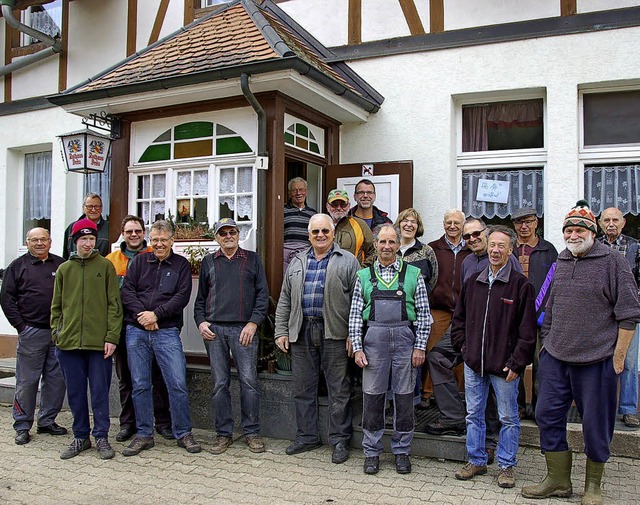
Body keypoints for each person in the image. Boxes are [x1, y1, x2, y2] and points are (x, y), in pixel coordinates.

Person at [522, 201, 640, 504]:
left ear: (593, 231)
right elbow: (550, 307)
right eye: (568, 230)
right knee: (546, 415)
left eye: (579, 229)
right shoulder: (560, 260)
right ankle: (558, 481)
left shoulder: (614, 262)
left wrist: (618, 358)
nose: (573, 235)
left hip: (597, 361)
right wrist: (546, 344)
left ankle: (593, 486)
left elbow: (628, 314)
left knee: (596, 424)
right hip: (556, 359)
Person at [452, 225, 537, 488]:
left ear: (510, 250)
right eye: (492, 245)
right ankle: (476, 460)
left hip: (505, 367)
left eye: (501, 246)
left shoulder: (520, 285)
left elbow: (527, 331)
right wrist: (464, 350)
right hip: (474, 364)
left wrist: (517, 363)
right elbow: (459, 321)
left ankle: (506, 467)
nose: (495, 250)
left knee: (508, 418)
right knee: (473, 414)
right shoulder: (473, 282)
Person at [275, 213, 360, 465]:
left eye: (325, 231)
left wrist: (354, 335)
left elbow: (358, 301)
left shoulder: (348, 260)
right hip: (302, 332)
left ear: (333, 233)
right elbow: (285, 299)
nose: (320, 236)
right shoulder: (298, 261)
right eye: (315, 232)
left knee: (339, 389)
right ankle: (307, 436)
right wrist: (281, 330)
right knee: (303, 388)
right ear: (308, 235)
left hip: (335, 333)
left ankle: (340, 440)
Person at [349, 223, 431, 475]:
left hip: (405, 343)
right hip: (374, 344)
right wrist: (357, 347)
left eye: (392, 242)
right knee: (372, 399)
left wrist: (419, 347)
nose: (387, 246)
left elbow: (424, 316)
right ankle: (371, 452)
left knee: (404, 399)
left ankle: (402, 451)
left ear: (398, 245)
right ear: (375, 245)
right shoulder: (363, 276)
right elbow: (354, 316)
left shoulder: (413, 274)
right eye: (382, 242)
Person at [120, 220, 201, 456]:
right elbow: (128, 292)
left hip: (166, 332)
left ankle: (183, 432)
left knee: (177, 383)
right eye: (154, 240)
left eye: (163, 240)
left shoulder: (181, 265)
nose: (158, 244)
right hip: (136, 331)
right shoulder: (139, 262)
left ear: (172, 241)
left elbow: (181, 297)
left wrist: (156, 314)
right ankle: (144, 435)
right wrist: (143, 317)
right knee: (140, 384)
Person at [194, 217, 269, 455]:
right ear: (216, 237)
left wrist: (253, 324)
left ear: (238, 234)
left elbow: (262, 296)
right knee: (219, 384)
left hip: (243, 330)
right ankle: (223, 434)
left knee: (248, 382)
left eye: (232, 232)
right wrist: (201, 323)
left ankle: (252, 433)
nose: (228, 236)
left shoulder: (252, 260)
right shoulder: (208, 262)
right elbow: (200, 301)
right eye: (223, 233)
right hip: (214, 331)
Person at [50, 219, 122, 460]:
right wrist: (57, 333)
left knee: (100, 392)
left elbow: (114, 305)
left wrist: (111, 337)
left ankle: (101, 436)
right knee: (76, 393)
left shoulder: (105, 266)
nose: (88, 243)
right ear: (75, 241)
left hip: (98, 343)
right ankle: (81, 436)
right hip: (68, 344)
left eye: (92, 239)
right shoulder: (64, 269)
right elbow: (56, 306)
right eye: (84, 239)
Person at [105, 215, 173, 443]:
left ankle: (162, 422)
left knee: (157, 376)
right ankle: (128, 424)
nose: (133, 235)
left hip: (152, 325)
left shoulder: (153, 255)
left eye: (137, 231)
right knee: (126, 378)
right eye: (129, 232)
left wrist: (150, 318)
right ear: (122, 234)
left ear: (144, 233)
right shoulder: (111, 260)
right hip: (123, 327)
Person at [1, 228, 67, 445]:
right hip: (32, 332)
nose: (40, 243)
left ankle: (47, 421)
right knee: (27, 381)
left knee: (56, 380)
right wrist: (21, 327)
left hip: (58, 332)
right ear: (27, 242)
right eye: (34, 240)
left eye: (43, 239)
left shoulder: (61, 264)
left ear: (50, 241)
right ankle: (22, 425)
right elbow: (7, 299)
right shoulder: (17, 267)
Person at [511, 207, 558, 419]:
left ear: (536, 223)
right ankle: (518, 406)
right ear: (514, 225)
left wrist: (546, 311)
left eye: (528, 221)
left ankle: (539, 409)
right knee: (514, 362)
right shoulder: (508, 248)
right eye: (520, 222)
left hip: (540, 316)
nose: (524, 226)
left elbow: (556, 284)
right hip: (513, 316)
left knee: (542, 365)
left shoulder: (549, 250)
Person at [423, 210, 471, 416]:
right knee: (432, 351)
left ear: (463, 225)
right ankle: (428, 394)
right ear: (443, 224)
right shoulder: (433, 248)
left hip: (464, 311)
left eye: (457, 223)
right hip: (439, 308)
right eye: (449, 222)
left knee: (459, 354)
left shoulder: (471, 249)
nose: (452, 226)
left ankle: (456, 395)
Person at [596, 206, 640, 428]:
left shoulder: (635, 247)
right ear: (600, 224)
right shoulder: (595, 246)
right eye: (607, 220)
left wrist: (633, 305)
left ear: (623, 223)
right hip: (601, 316)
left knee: (629, 362)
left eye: (615, 220)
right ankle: (603, 405)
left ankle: (629, 409)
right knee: (602, 361)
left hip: (628, 317)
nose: (611, 223)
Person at [394, 208, 438, 409]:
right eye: (405, 220)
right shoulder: (389, 247)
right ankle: (390, 402)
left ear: (418, 227)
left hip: (415, 314)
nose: (409, 224)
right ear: (399, 224)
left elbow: (433, 279)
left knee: (414, 357)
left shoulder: (426, 251)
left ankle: (412, 401)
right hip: (390, 315)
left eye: (413, 221)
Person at [326, 188, 374, 266]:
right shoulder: (321, 224)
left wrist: (362, 270)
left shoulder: (360, 224)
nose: (339, 208)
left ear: (349, 205)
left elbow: (374, 251)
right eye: (334, 204)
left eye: (343, 204)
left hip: (354, 276)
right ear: (327, 206)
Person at [62, 193, 110, 259]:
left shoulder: (109, 228)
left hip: (100, 268)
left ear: (101, 208)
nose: (93, 210)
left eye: (97, 206)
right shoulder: (72, 227)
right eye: (90, 206)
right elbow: (65, 255)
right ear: (83, 208)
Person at [284, 177, 317, 272]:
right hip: (286, 256)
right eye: (294, 190)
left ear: (306, 192)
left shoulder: (313, 213)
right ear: (289, 193)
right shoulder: (282, 210)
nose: (298, 193)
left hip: (306, 254)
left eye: (301, 190)